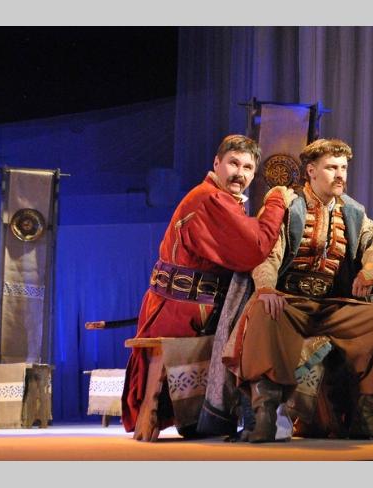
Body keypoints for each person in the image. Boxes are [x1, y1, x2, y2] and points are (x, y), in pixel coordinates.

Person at [233, 138, 373, 442]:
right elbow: (267, 253)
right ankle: (264, 416)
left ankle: (367, 416)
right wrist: (266, 288)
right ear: (311, 171)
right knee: (263, 311)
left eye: (343, 168)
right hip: (290, 304)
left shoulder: (353, 212)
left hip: (332, 306)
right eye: (332, 167)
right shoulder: (289, 205)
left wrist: (369, 270)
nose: (340, 175)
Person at [121, 134, 294, 440]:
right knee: (252, 331)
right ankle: (252, 419)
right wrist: (276, 203)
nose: (240, 173)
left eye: (248, 168)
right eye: (233, 163)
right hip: (181, 309)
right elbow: (253, 248)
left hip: (196, 305)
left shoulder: (222, 199)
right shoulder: (209, 198)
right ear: (217, 163)